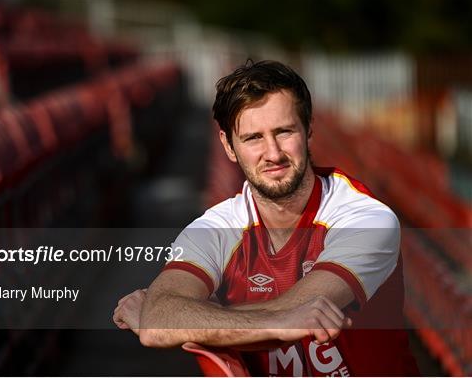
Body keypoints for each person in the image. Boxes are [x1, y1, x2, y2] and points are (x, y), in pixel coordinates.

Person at [113, 60, 419, 376]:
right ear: (228, 146)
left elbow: (300, 309)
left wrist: (188, 316)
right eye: (253, 138)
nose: (273, 153)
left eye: (284, 131)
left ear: (308, 128)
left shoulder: (365, 218)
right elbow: (159, 323)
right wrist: (163, 315)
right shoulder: (215, 228)